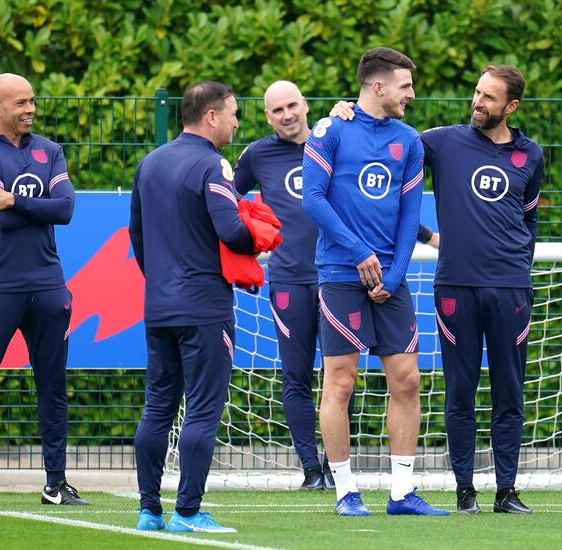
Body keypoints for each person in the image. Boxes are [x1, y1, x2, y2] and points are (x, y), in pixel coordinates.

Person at [331, 64, 543, 514]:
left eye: (489, 97)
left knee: (510, 391)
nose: (478, 102)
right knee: (459, 390)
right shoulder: (441, 141)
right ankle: (464, 491)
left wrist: (519, 266)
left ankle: (507, 491)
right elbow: (382, 160)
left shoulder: (531, 155)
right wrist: (344, 111)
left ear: (511, 106)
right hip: (454, 288)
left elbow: (529, 218)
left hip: (511, 290)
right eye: (476, 92)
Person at [302, 47, 448, 517]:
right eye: (405, 86)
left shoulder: (409, 141)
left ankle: (402, 494)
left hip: (393, 281)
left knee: (407, 381)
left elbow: (411, 217)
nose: (412, 94)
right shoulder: (330, 131)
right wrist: (360, 252)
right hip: (341, 275)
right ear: (379, 86)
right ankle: (346, 492)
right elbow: (314, 201)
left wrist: (397, 273)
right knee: (340, 384)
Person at [0, 73, 86, 507]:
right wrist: (20, 206)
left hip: (47, 286)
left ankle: (55, 484)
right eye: (20, 103)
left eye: (32, 102)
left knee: (53, 386)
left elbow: (64, 209)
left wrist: (13, 199)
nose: (30, 110)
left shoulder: (50, 150)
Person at [129, 80, 254, 533]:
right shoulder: (212, 163)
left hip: (159, 304)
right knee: (202, 408)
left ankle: (148, 511)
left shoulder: (149, 163)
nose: (238, 122)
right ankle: (186, 512)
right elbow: (232, 231)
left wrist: (163, 281)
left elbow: (137, 240)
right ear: (212, 116)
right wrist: (256, 235)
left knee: (158, 406)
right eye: (234, 113)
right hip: (203, 306)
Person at [233, 80, 337, 490]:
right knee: (296, 376)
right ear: (267, 117)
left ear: (306, 105)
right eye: (277, 110)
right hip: (288, 281)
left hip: (337, 278)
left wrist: (424, 236)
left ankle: (336, 467)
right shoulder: (257, 155)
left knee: (338, 377)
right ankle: (311, 470)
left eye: (292, 105)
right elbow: (225, 198)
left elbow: (369, 202)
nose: (287, 115)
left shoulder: (333, 145)